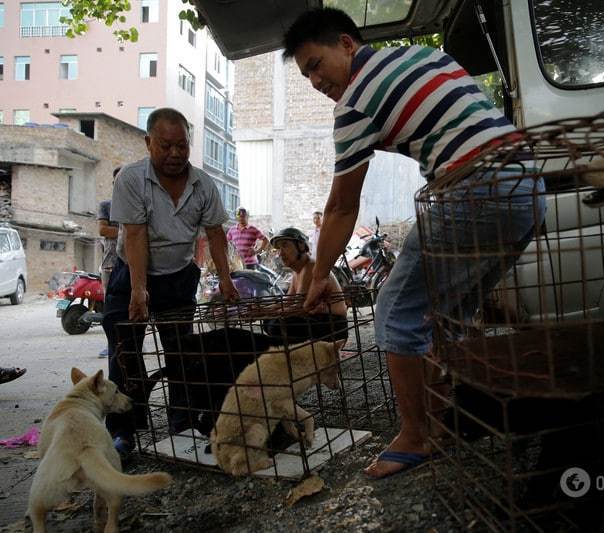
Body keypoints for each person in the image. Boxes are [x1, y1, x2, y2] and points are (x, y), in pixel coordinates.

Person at [283, 8, 546, 478]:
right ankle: (447, 420)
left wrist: (319, 276)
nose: (315, 81)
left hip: (474, 189)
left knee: (395, 311)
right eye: (306, 74)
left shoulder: (354, 104)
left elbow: (342, 206)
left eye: (315, 64)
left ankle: (416, 437)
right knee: (449, 317)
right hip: (527, 186)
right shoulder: (423, 56)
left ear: (346, 44)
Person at [103, 107, 238, 460]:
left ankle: (182, 420)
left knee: (182, 352)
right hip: (130, 274)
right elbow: (133, 235)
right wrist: (137, 290)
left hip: (178, 277)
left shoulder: (203, 184)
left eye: (182, 146)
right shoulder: (130, 179)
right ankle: (125, 430)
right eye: (166, 146)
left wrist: (226, 280)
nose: (176, 153)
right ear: (149, 143)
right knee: (125, 353)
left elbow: (215, 234)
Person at [264, 227, 347, 343]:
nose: (281, 253)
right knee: (269, 321)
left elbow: (299, 308)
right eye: (279, 248)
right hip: (319, 320)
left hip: (333, 324)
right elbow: (288, 300)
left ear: (301, 246)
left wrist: (271, 312)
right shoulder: (297, 271)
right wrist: (263, 310)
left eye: (285, 245)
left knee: (277, 325)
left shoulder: (311, 267)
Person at [96, 166, 122, 358]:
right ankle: (112, 345)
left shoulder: (138, 205)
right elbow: (103, 230)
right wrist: (130, 232)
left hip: (132, 264)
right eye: (116, 182)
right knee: (110, 311)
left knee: (131, 308)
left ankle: (133, 344)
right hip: (110, 264)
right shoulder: (106, 205)